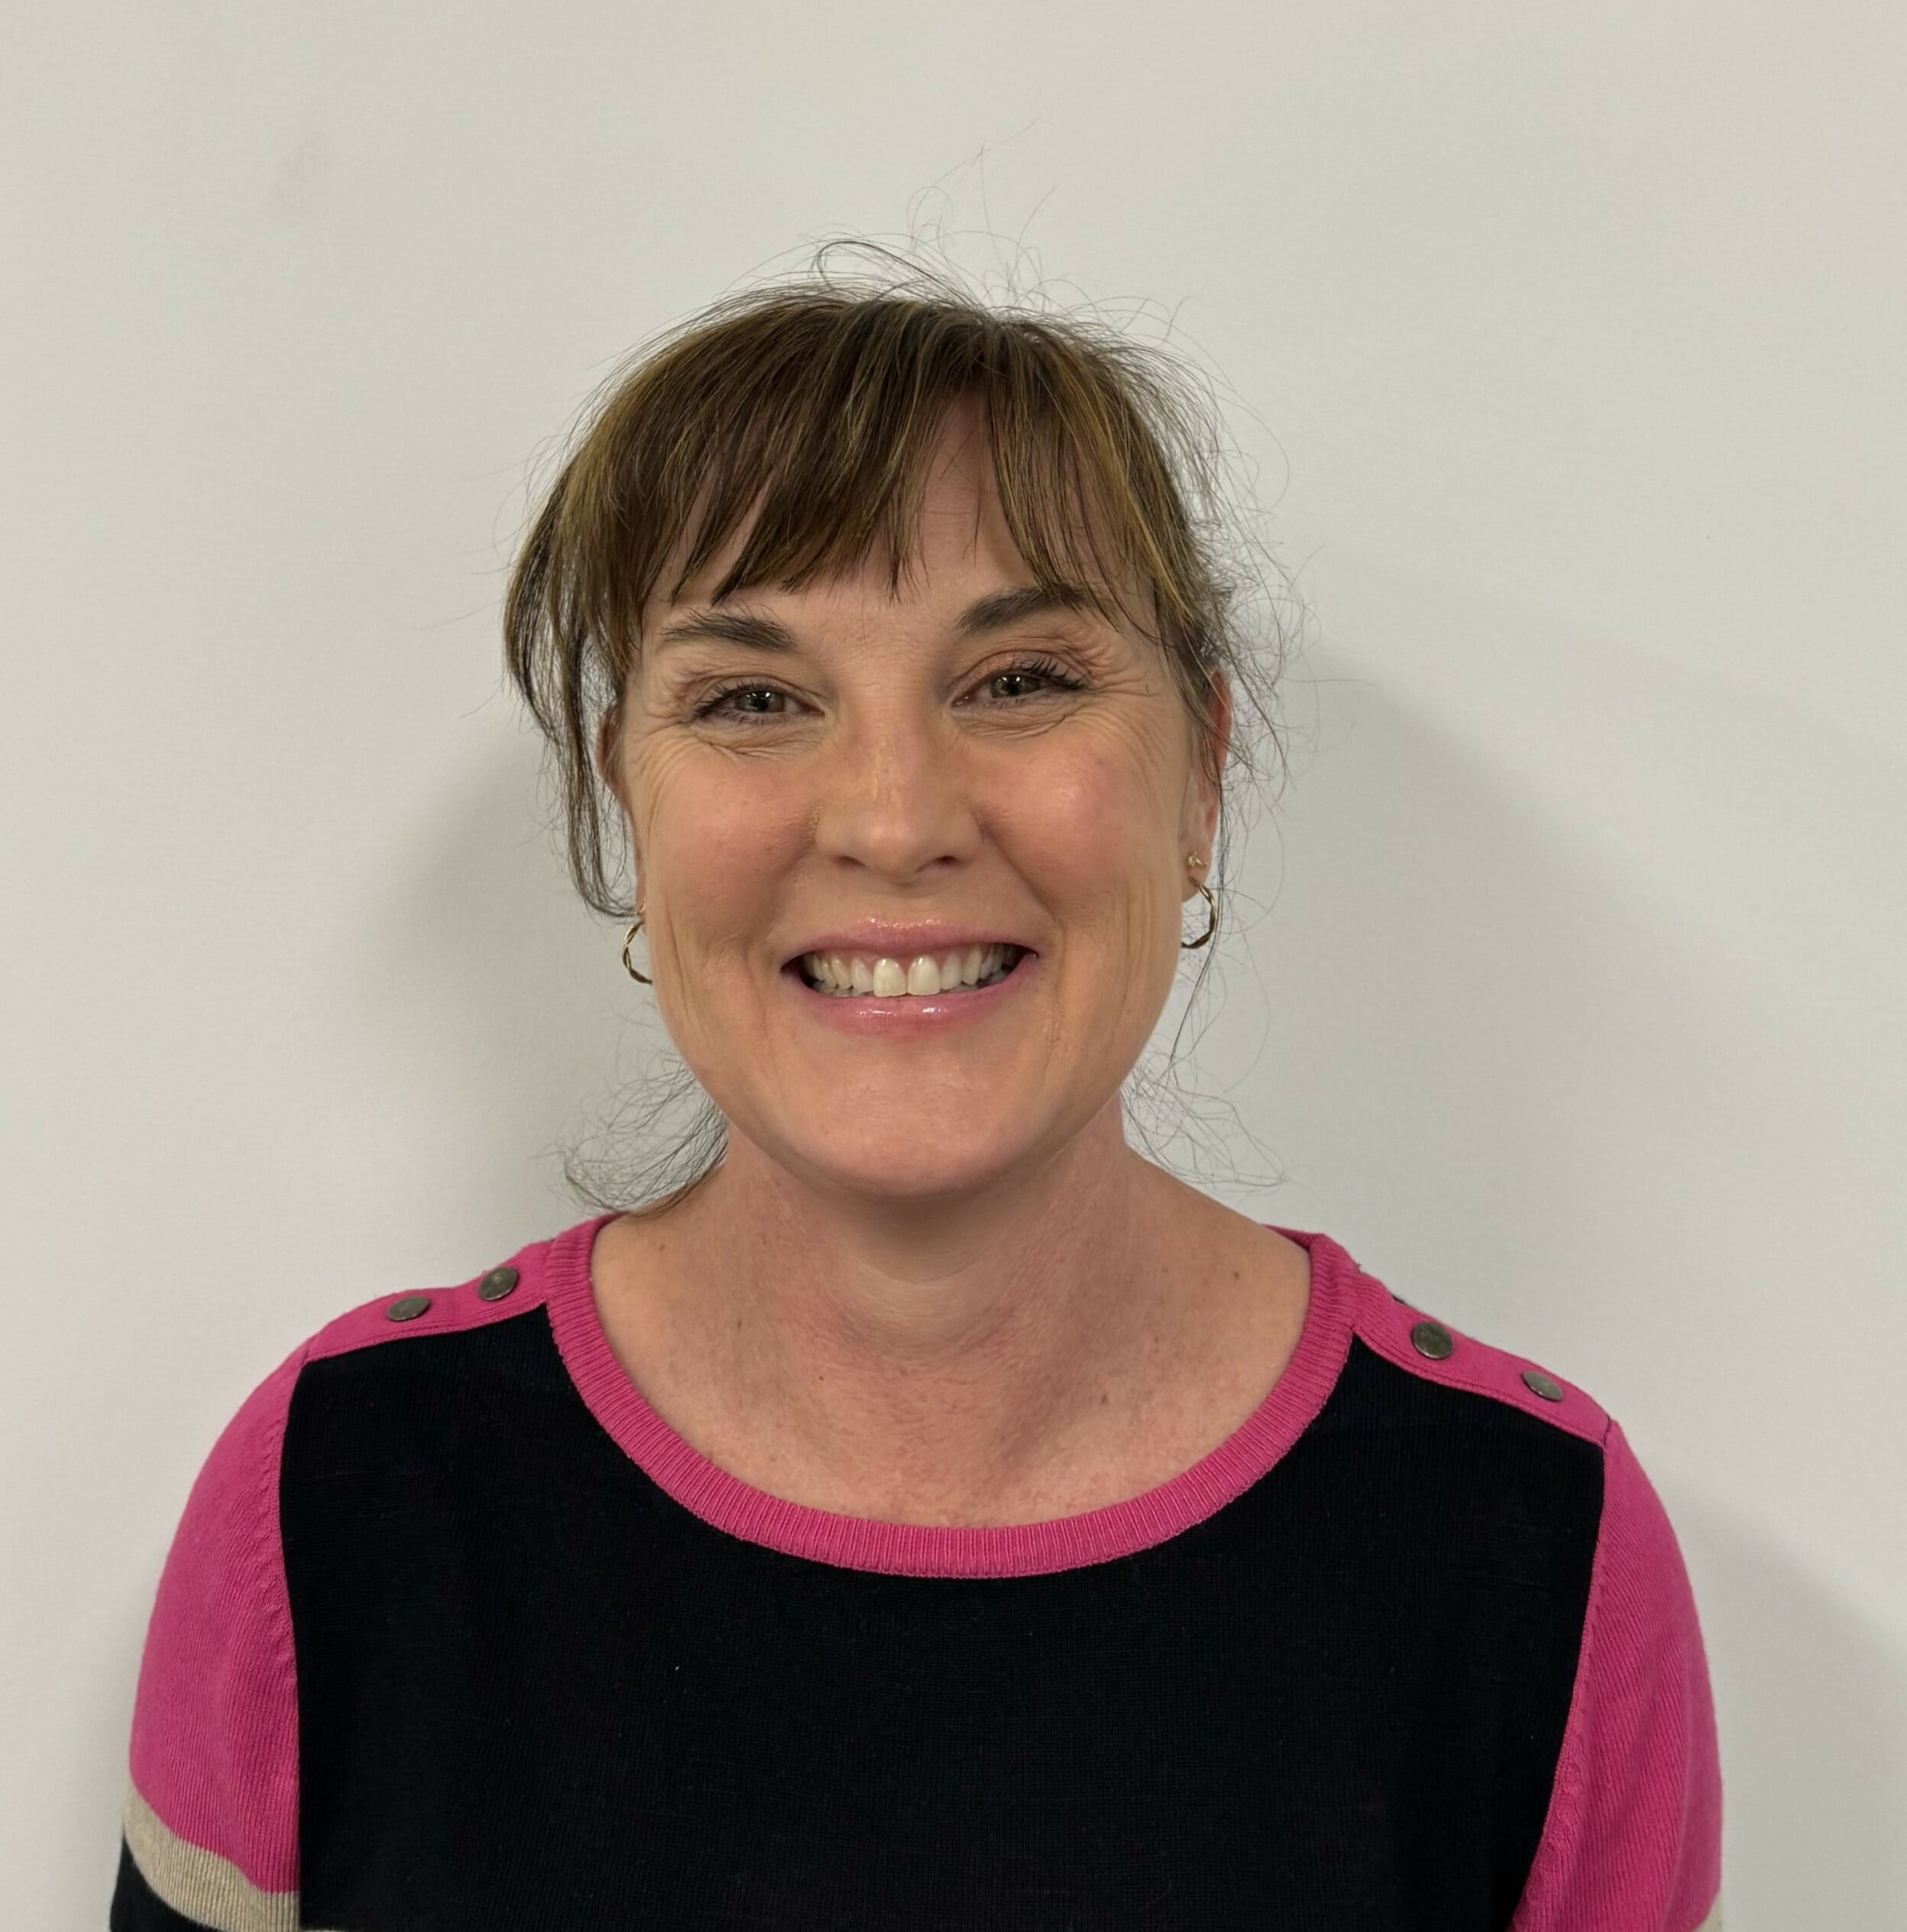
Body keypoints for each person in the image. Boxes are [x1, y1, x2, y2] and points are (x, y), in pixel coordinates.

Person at [110, 264, 1721, 1931]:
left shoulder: (1528, 1544)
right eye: (753, 697)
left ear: (1201, 777)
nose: (891, 817)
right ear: (626, 805)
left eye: (1018, 678)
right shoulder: (337, 1495)